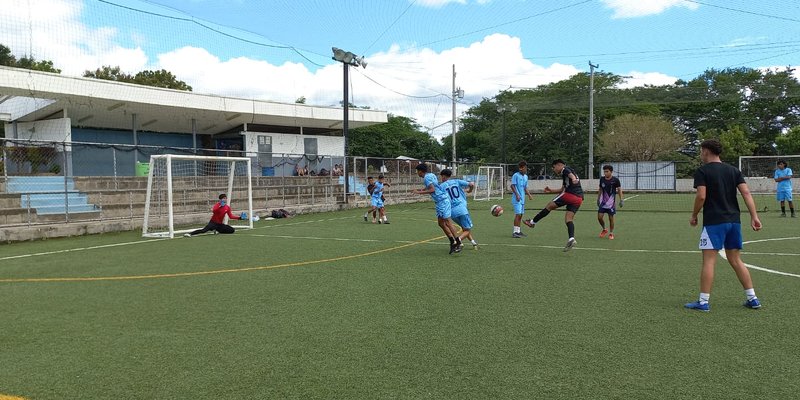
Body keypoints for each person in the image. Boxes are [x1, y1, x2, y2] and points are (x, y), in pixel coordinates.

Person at [684, 139, 763, 311]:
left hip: (714, 222)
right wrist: (754, 216)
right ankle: (753, 298)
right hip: (734, 222)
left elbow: (701, 196)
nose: (700, 155)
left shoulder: (702, 171)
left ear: (706, 151)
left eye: (700, 151)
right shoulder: (734, 170)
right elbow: (746, 193)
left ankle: (703, 302)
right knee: (736, 259)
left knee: (709, 261)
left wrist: (694, 215)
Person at [524, 159, 584, 251]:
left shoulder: (565, 169)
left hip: (570, 195)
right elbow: (562, 189)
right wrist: (551, 190)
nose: (553, 169)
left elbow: (570, 175)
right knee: (568, 219)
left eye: (554, 167)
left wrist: (573, 179)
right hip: (579, 198)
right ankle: (571, 238)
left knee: (549, 206)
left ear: (559, 165)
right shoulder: (567, 174)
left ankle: (532, 222)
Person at [412, 163, 462, 254]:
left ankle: (458, 242)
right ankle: (452, 241)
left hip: (442, 200)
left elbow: (432, 189)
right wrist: (422, 190)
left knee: (448, 222)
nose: (416, 173)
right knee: (441, 223)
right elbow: (432, 186)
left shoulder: (426, 178)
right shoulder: (430, 175)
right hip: (440, 201)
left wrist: (419, 193)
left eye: (417, 171)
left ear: (420, 171)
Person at [439, 169, 478, 249]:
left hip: (452, 212)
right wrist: (470, 190)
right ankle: (457, 241)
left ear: (443, 176)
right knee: (467, 230)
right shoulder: (456, 181)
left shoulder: (441, 186)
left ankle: (473, 242)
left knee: (464, 228)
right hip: (462, 209)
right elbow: (471, 184)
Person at [597, 165, 623, 240]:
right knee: (599, 217)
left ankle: (611, 233)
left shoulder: (616, 180)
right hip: (603, 203)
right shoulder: (602, 179)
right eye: (604, 171)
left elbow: (619, 190)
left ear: (611, 172)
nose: (605, 173)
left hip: (611, 204)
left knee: (611, 219)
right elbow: (600, 189)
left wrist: (621, 200)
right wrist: (598, 199)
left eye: (607, 171)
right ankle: (604, 229)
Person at [510, 161, 533, 238]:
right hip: (517, 199)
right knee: (518, 214)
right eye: (525, 168)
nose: (526, 169)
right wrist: (517, 195)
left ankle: (518, 231)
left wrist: (529, 195)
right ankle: (514, 232)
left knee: (521, 215)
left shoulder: (526, 177)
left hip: (522, 199)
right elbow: (512, 186)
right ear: (521, 168)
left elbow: (525, 187)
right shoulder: (515, 175)